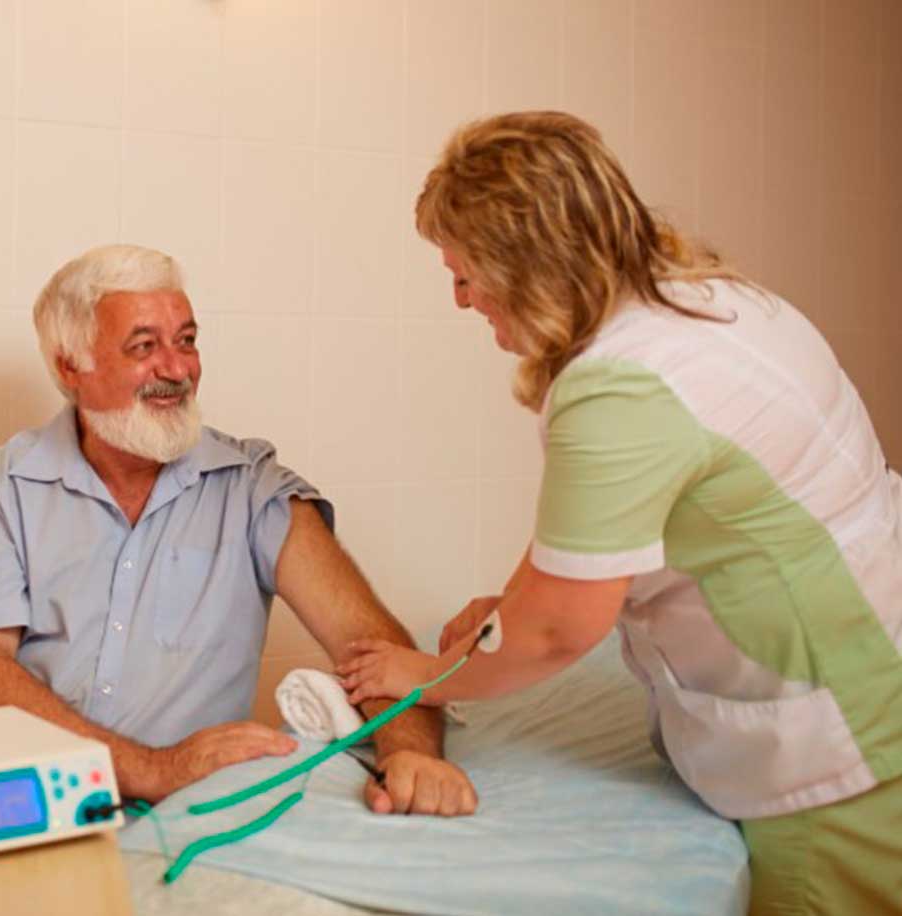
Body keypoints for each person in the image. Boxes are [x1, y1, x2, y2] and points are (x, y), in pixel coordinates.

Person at [342, 111, 902, 913]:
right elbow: (598, 532)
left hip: (834, 747)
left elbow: (558, 630)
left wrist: (427, 676)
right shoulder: (714, 301)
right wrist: (510, 607)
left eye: (465, 273)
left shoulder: (619, 387)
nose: (461, 298)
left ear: (525, 263)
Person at [0, 244, 477, 815]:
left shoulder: (252, 488)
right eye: (144, 346)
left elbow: (372, 645)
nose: (177, 369)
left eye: (186, 341)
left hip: (194, 819)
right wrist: (153, 769)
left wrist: (410, 754)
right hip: (36, 809)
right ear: (71, 367)